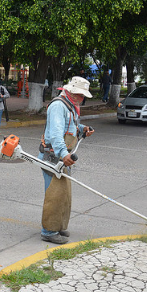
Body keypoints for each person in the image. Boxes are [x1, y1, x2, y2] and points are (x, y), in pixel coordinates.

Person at [37, 76, 95, 244]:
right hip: (53, 156)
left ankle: (58, 226)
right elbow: (55, 134)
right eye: (81, 95)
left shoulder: (70, 106)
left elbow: (71, 127)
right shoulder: (58, 106)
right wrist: (64, 154)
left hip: (62, 157)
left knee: (63, 195)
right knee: (54, 195)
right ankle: (48, 231)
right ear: (71, 92)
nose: (82, 99)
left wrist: (83, 129)